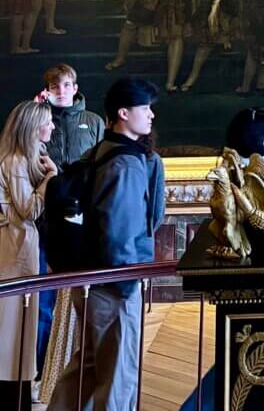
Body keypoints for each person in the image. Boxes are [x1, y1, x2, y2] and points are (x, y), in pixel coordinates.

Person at [47, 78, 165, 411]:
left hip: (91, 278)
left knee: (88, 365)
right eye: (145, 108)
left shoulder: (100, 152)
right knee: (117, 375)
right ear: (123, 113)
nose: (151, 115)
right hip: (114, 282)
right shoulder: (125, 164)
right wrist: (127, 285)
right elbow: (120, 233)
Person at [179, 108, 264, 411]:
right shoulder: (250, 173)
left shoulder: (245, 167)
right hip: (258, 267)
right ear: (257, 135)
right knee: (242, 352)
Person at [35, 64, 105, 385]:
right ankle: (37, 369)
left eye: (66, 85)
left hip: (80, 220)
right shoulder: (37, 122)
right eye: (54, 85)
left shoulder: (93, 122)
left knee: (83, 298)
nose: (61, 91)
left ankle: (83, 367)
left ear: (75, 87)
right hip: (42, 219)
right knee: (43, 300)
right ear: (47, 88)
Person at [0, 100, 57, 411]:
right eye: (47, 122)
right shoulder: (17, 161)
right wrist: (50, 178)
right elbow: (29, 209)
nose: (52, 127)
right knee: (15, 324)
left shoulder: (16, 159)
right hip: (16, 249)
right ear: (34, 128)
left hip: (15, 247)